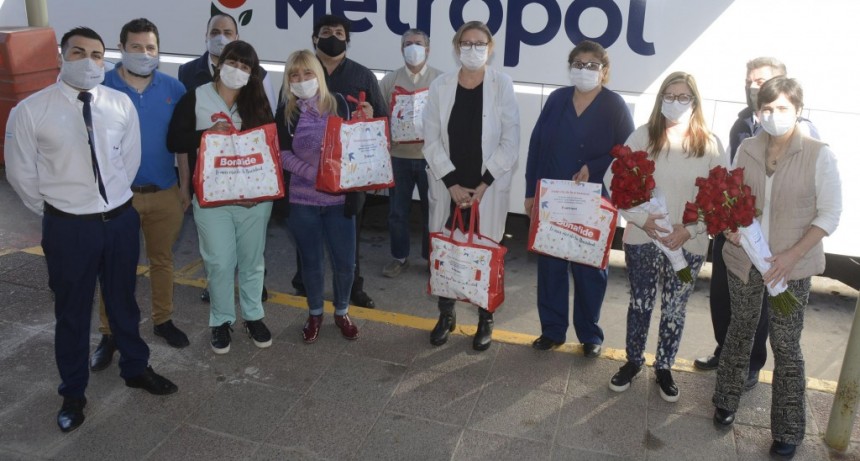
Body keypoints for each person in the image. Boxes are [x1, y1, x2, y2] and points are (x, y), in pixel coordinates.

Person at [5, 27, 178, 433]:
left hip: (119, 221)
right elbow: (21, 174)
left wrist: (110, 204)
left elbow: (129, 160)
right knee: (72, 313)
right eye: (79, 52)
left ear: (105, 59)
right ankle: (73, 393)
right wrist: (60, 210)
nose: (89, 61)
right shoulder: (31, 111)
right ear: (61, 56)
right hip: (69, 228)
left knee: (123, 302)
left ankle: (135, 367)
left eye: (97, 55)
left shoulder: (118, 104)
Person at [711, 76, 841, 459]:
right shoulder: (748, 148)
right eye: (766, 108)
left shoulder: (819, 154)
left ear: (798, 110)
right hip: (745, 262)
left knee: (786, 345)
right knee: (740, 332)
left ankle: (787, 428)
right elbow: (731, 200)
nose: (773, 115)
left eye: (782, 108)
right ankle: (726, 399)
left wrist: (790, 256)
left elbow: (830, 215)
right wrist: (731, 229)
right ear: (758, 112)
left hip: (792, 268)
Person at [694, 57, 820, 392]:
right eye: (750, 80)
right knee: (722, 298)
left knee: (765, 311)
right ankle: (727, 351)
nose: (754, 85)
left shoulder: (805, 133)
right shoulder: (741, 125)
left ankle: (751, 364)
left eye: (762, 79)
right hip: (734, 235)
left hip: (772, 243)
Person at [603, 72, 727, 402]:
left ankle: (664, 367)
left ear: (695, 102)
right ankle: (632, 362)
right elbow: (613, 179)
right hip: (644, 240)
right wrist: (643, 220)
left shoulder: (710, 144)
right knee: (640, 302)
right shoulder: (643, 135)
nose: (675, 103)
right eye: (669, 97)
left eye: (683, 97)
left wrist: (690, 229)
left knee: (675, 307)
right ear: (660, 101)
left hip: (689, 245)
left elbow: (721, 197)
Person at [89, 18, 190, 373]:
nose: (144, 54)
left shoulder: (173, 89)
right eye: (136, 47)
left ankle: (163, 321)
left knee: (162, 261)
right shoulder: (102, 86)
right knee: (115, 267)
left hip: (164, 192)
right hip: (118, 199)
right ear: (121, 49)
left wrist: (185, 188)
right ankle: (108, 333)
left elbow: (181, 147)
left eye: (150, 47)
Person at [524, 40, 634, 358]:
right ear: (570, 67)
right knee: (551, 265)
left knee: (589, 270)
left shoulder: (614, 105)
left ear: (604, 70)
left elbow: (627, 152)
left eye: (592, 65)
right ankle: (552, 330)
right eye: (578, 63)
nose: (584, 70)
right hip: (553, 200)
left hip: (593, 202)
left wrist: (596, 166)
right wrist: (531, 193)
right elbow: (536, 147)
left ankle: (590, 334)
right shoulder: (558, 99)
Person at [167, 40, 275, 354]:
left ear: (252, 73)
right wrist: (206, 134)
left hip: (253, 200)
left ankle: (254, 316)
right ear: (219, 63)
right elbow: (174, 139)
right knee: (219, 262)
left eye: (245, 67)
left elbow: (269, 148)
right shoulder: (196, 98)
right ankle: (221, 320)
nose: (237, 70)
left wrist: (260, 194)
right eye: (233, 62)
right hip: (212, 200)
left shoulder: (256, 102)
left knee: (253, 262)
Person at [423, 20, 520, 351]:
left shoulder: (501, 84)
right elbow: (431, 138)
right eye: (467, 44)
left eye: (480, 44)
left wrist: (484, 183)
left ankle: (485, 318)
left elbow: (511, 140)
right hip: (448, 187)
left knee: (485, 254)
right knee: (447, 252)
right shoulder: (440, 86)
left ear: (490, 49)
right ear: (456, 47)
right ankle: (446, 314)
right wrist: (451, 182)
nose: (473, 50)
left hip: (485, 190)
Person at [290, 14, 387, 308]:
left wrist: (370, 117)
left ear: (347, 39)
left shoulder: (363, 75)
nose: (333, 36)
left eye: (339, 32)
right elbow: (284, 130)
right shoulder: (300, 75)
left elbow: (382, 121)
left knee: (349, 239)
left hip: (349, 178)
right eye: (326, 31)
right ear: (314, 39)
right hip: (306, 181)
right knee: (306, 241)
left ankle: (353, 289)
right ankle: (305, 284)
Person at [177, 12, 274, 304]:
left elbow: (268, 134)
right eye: (215, 31)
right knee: (216, 249)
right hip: (209, 179)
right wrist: (184, 185)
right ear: (206, 35)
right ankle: (217, 289)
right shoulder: (188, 74)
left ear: (237, 36)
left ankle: (253, 292)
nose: (221, 37)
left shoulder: (259, 80)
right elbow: (180, 138)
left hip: (248, 183)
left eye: (228, 32)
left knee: (250, 250)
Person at [276, 49, 363, 343]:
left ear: (319, 74)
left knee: (345, 263)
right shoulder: (286, 111)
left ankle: (341, 311)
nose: (301, 80)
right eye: (294, 75)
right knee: (311, 262)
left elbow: (354, 144)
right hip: (302, 202)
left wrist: (365, 124)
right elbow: (282, 154)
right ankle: (315, 313)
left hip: (339, 201)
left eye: (307, 73)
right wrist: (313, 173)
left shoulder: (339, 104)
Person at [379, 28, 442, 277]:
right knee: (397, 212)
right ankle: (399, 257)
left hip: (431, 159)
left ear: (427, 49)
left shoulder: (441, 80)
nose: (412, 48)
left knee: (433, 211)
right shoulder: (390, 81)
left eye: (417, 43)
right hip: (398, 157)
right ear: (401, 49)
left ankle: (431, 259)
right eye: (407, 44)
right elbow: (380, 114)